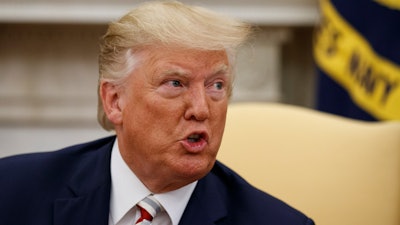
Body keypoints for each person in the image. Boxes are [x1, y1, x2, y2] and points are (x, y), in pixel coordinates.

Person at [0, 1, 315, 225]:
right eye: (175, 83)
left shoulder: (276, 221)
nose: (202, 109)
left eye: (216, 85)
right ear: (114, 101)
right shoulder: (12, 191)